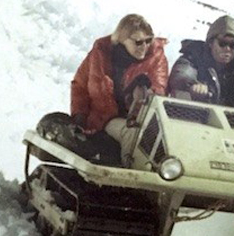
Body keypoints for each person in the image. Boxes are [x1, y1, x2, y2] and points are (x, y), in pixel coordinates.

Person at [70, 13, 169, 166]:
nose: (144, 46)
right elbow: (80, 86)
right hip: (105, 118)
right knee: (133, 134)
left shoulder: (155, 57)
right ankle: (129, 181)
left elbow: (159, 86)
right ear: (122, 39)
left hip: (139, 119)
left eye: (148, 40)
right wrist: (79, 116)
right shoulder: (101, 53)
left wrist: (146, 92)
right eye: (138, 42)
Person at [168, 15, 234, 113]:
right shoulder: (195, 56)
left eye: (233, 45)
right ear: (211, 43)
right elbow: (181, 73)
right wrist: (192, 85)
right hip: (199, 116)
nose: (227, 49)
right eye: (222, 43)